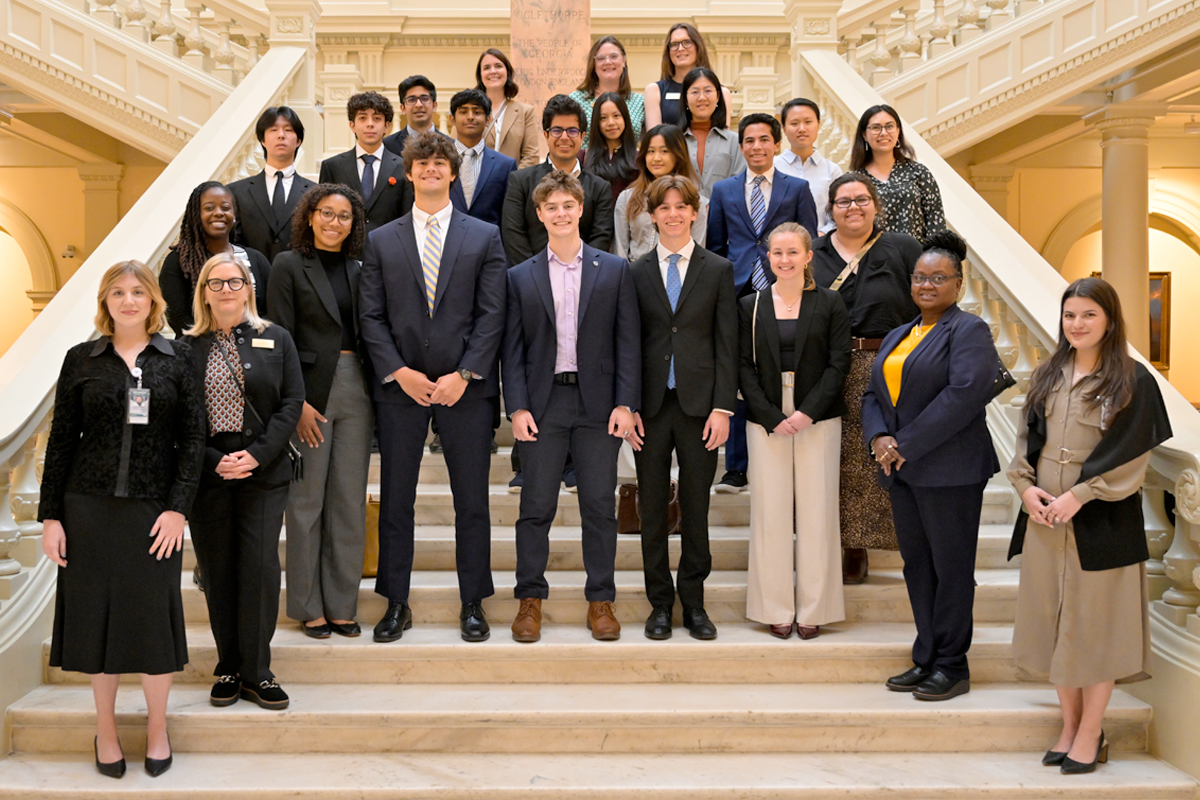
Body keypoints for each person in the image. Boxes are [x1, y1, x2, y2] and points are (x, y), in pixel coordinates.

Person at [40, 260, 205, 779]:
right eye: (118, 292)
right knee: (97, 628)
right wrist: (51, 518)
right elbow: (62, 441)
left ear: (154, 300)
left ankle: (158, 728)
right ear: (105, 302)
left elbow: (194, 440)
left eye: (138, 291)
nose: (128, 300)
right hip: (87, 511)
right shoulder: (81, 360)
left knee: (152, 626)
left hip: (154, 513)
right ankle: (106, 731)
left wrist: (179, 508)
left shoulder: (177, 358)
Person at [1008, 277, 1171, 774]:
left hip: (1102, 521)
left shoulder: (1132, 380)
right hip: (1045, 521)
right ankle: (1069, 723)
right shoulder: (1047, 373)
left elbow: (1130, 455)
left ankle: (1091, 730)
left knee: (1095, 630)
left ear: (1109, 321)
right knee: (1055, 624)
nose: (1076, 324)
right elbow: (1025, 440)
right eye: (1069, 315)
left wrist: (1080, 494)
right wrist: (1025, 488)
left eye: (1087, 316)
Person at [359, 132, 507, 644]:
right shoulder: (380, 239)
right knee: (397, 499)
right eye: (421, 163)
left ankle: (474, 602)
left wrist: (464, 375)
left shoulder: (484, 236)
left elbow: (493, 314)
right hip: (401, 388)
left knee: (472, 502)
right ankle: (395, 602)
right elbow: (370, 317)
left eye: (439, 163)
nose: (429, 170)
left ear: (451, 172)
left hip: (464, 390)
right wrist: (400, 372)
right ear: (410, 170)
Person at [503, 170, 641, 643]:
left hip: (598, 405)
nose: (561, 214)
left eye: (568, 205)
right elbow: (513, 349)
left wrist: (626, 402)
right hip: (543, 405)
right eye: (551, 207)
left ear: (580, 209)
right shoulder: (519, 276)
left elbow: (628, 343)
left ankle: (601, 599)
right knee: (535, 506)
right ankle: (529, 600)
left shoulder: (614, 269)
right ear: (539, 215)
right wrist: (516, 407)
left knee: (600, 507)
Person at [862, 230, 999, 702]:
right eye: (920, 277)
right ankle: (927, 656)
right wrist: (880, 437)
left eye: (938, 278)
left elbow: (963, 396)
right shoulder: (902, 333)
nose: (926, 285)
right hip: (902, 470)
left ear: (958, 284)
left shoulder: (969, 330)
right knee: (918, 567)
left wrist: (905, 444)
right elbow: (871, 393)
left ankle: (952, 665)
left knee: (952, 567)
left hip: (952, 470)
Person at [184, 254, 304, 710]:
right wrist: (215, 460)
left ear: (248, 288)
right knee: (218, 572)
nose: (227, 289)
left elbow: (292, 402)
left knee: (258, 569)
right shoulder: (186, 347)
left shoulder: (276, 337)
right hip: (209, 474)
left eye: (235, 282)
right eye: (216, 283)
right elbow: (181, 416)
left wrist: (255, 455)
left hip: (264, 471)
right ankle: (228, 667)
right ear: (204, 292)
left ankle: (258, 671)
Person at [267, 185, 375, 642]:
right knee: (307, 503)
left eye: (344, 216)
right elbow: (279, 338)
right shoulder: (287, 265)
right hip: (309, 391)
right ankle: (308, 605)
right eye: (326, 214)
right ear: (309, 217)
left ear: (354, 224)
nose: (335, 222)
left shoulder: (361, 268)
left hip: (358, 388)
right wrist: (297, 404)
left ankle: (341, 605)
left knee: (349, 502)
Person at [629, 175, 735, 641]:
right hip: (650, 408)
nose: (673, 213)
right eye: (664, 207)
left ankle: (693, 602)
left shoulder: (717, 270)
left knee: (695, 507)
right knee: (652, 510)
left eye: (681, 206)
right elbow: (628, 344)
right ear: (651, 216)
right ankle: (659, 604)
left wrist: (722, 408)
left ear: (695, 212)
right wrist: (627, 406)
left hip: (700, 409)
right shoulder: (634, 271)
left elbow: (727, 346)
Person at [810, 173, 923, 584]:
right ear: (831, 208)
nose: (853, 208)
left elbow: (928, 302)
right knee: (838, 457)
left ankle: (888, 538)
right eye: (843, 201)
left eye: (861, 200)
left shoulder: (903, 248)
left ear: (875, 205)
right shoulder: (816, 253)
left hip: (889, 363)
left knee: (883, 452)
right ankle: (845, 542)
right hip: (829, 365)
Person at [739, 222, 849, 640]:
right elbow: (742, 366)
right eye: (776, 253)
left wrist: (807, 413)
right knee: (770, 512)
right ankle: (775, 606)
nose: (784, 260)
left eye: (792, 252)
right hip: (766, 416)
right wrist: (769, 415)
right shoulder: (750, 305)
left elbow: (839, 363)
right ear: (767, 258)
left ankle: (814, 607)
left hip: (818, 414)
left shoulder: (831, 303)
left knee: (818, 511)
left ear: (808, 257)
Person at [707, 112, 819, 494]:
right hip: (739, 295)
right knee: (740, 377)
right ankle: (736, 468)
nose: (757, 147)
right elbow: (717, 248)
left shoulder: (797, 188)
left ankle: (785, 456)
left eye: (764, 140)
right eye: (749, 141)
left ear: (776, 144)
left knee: (783, 374)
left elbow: (809, 246)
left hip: (786, 292)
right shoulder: (724, 191)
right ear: (742, 147)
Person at [501, 94, 615, 266]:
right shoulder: (521, 181)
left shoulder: (600, 187)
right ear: (546, 136)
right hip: (531, 281)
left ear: (582, 136)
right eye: (556, 130)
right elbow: (513, 234)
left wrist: (576, 272)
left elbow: (601, 238)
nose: (564, 137)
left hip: (583, 279)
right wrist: (535, 275)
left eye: (572, 131)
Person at [160, 181, 271, 337]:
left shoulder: (256, 260)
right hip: (199, 352)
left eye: (226, 208)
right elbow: (179, 317)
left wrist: (247, 343)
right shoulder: (178, 262)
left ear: (234, 215)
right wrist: (220, 345)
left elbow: (269, 312)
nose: (219, 213)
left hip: (254, 350)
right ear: (196, 215)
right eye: (209, 208)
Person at [228, 106, 316, 261]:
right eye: (273, 130)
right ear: (262, 140)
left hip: (297, 280)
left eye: (288, 130)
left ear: (298, 141)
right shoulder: (236, 191)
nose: (281, 135)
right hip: (250, 278)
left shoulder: (314, 192)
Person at [318, 91, 413, 234]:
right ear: (352, 125)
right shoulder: (332, 167)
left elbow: (406, 217)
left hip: (387, 249)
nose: (370, 124)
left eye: (377, 118)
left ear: (387, 126)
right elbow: (324, 214)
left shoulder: (402, 167)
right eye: (362, 118)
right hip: (343, 249)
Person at [849, 104, 945, 243]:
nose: (883, 133)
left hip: (915, 259)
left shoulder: (919, 172)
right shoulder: (855, 179)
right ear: (864, 134)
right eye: (876, 128)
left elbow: (935, 222)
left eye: (889, 126)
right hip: (872, 260)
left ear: (898, 131)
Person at [614, 124, 707, 261]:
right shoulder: (627, 198)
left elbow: (698, 252)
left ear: (678, 154)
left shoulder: (696, 200)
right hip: (634, 277)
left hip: (678, 276)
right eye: (651, 151)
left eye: (664, 151)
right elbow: (620, 249)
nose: (656, 158)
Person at [448, 89, 518, 228]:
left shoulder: (505, 165)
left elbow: (508, 218)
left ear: (488, 119)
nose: (470, 117)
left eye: (477, 112)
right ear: (452, 119)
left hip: (488, 245)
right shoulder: (438, 161)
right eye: (463, 112)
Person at [644, 23, 734, 129]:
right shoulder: (654, 91)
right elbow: (654, 139)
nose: (680, 48)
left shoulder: (723, 93)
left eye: (687, 42)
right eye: (674, 44)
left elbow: (724, 138)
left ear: (698, 47)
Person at [774, 98, 843, 235]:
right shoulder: (772, 167)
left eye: (808, 122)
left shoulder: (833, 171)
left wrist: (820, 235)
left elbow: (839, 214)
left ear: (818, 125)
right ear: (784, 129)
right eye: (794, 123)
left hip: (821, 246)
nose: (802, 129)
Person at [568, 35, 646, 145]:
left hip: (628, 161)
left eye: (614, 56)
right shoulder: (575, 101)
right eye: (600, 58)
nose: (608, 62)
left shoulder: (640, 102)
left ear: (623, 61)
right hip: (587, 161)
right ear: (593, 64)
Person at [680, 67, 744, 199]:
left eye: (708, 91)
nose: (702, 98)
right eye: (695, 92)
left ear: (718, 97)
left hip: (725, 215)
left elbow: (740, 185)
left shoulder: (735, 141)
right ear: (686, 99)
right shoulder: (674, 140)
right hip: (683, 216)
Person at [476, 48, 541, 168]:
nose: (493, 71)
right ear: (480, 75)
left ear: (507, 72)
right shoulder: (468, 111)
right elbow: (456, 152)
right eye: (486, 67)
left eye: (498, 66)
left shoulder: (525, 112)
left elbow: (531, 156)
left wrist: (511, 182)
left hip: (513, 184)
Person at [581, 93, 639, 206]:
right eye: (603, 118)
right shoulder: (583, 157)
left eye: (616, 116)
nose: (611, 123)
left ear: (625, 118)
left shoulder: (640, 158)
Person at [383, 75, 453, 156]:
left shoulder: (451, 145)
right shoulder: (386, 146)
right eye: (411, 100)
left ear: (434, 106)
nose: (418, 104)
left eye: (425, 99)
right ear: (403, 108)